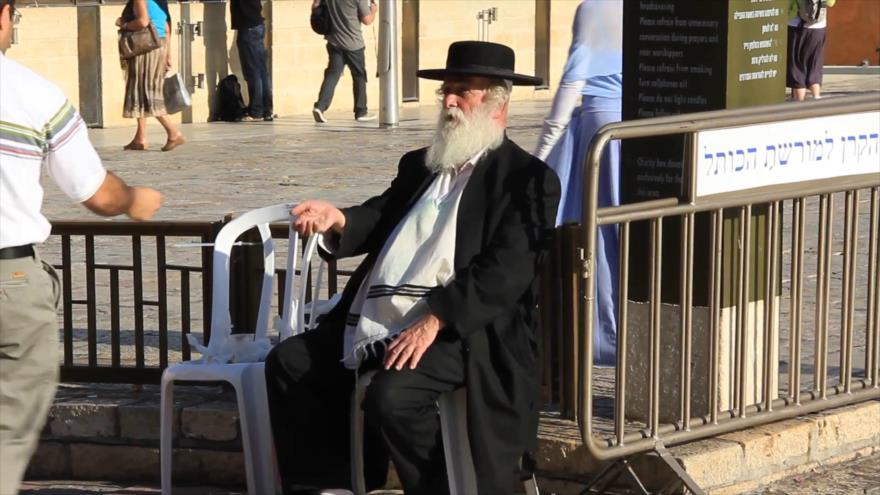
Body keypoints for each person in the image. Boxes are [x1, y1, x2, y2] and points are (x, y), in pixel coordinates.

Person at [267, 41, 560, 494]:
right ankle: (331, 485)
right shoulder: (421, 166)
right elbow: (383, 215)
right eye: (446, 90)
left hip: (464, 331)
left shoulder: (527, 179)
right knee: (290, 362)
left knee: (393, 396)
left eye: (463, 91)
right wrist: (339, 218)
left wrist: (436, 319)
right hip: (384, 323)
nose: (448, 101)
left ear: (497, 101)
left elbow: (507, 271)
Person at [0, 1, 163, 491]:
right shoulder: (31, 93)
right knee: (6, 432)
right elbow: (96, 193)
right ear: (2, 15)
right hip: (9, 285)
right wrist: (135, 199)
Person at [533, 0, 622, 366]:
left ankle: (604, 335)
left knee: (595, 237)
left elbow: (572, 82)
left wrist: (538, 157)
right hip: (642, 126)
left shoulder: (595, 8)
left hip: (600, 127)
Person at [117, 0, 186, 151]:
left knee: (147, 92)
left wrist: (124, 25)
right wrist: (167, 54)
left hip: (145, 47)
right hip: (158, 45)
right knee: (139, 90)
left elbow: (142, 21)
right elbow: (167, 28)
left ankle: (173, 133)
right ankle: (140, 138)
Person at [311, 0, 378, 124]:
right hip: (354, 44)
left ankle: (320, 106)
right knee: (359, 76)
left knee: (332, 75)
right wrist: (373, 11)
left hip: (334, 41)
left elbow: (315, 6)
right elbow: (367, 20)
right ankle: (361, 111)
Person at [231, 0, 274, 121]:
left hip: (247, 26)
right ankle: (267, 110)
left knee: (253, 71)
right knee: (262, 71)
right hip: (257, 24)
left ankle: (256, 110)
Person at [786, 0, 836, 101]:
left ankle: (798, 104)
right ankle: (816, 97)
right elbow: (831, 3)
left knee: (797, 67)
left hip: (796, 27)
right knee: (815, 64)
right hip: (818, 27)